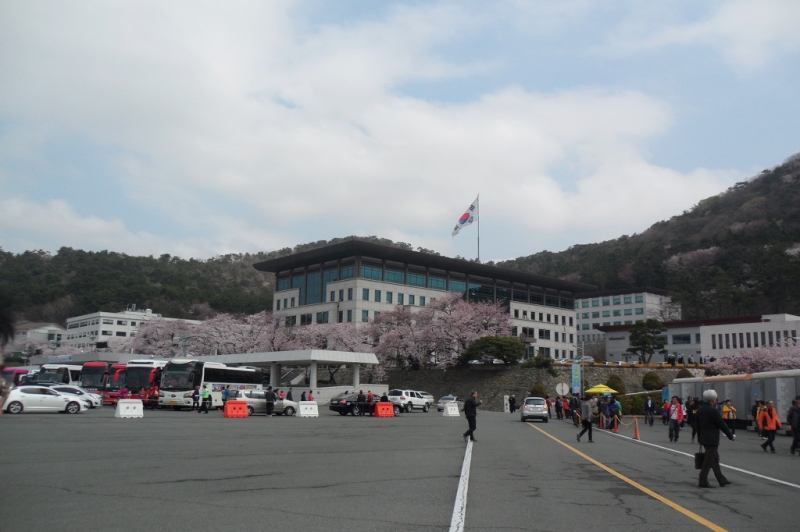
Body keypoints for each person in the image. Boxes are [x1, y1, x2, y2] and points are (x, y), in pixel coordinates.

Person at [697, 389, 735, 488]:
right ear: (713, 399)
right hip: (712, 438)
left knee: (714, 459)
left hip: (704, 437)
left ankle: (722, 480)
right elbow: (721, 424)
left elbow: (697, 425)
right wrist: (730, 436)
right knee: (708, 460)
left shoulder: (700, 409)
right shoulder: (713, 410)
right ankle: (702, 481)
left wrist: (699, 437)